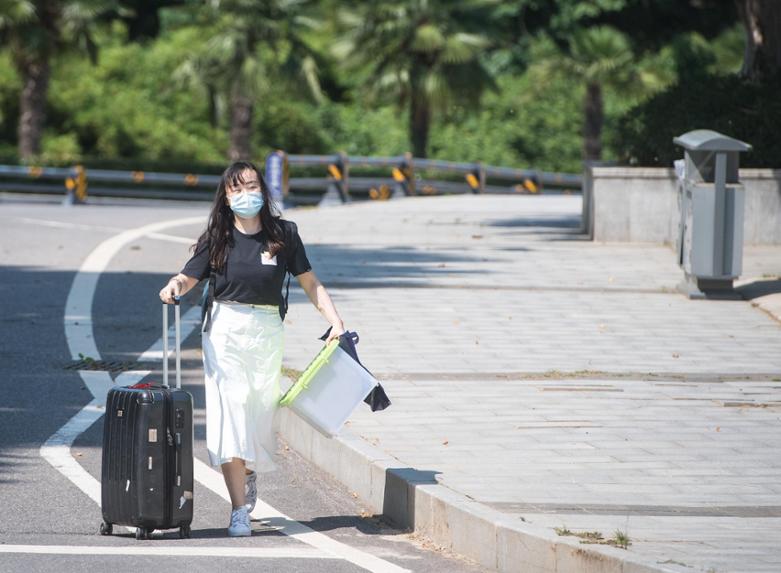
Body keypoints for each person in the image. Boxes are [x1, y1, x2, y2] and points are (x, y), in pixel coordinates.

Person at [158, 160, 345, 537]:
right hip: (224, 329)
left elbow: (310, 282)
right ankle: (239, 509)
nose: (246, 195)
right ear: (226, 198)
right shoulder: (218, 237)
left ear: (263, 189)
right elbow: (189, 275)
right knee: (231, 409)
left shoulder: (284, 234)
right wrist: (174, 286)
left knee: (259, 413)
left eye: (251, 186)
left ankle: (247, 471)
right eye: (237, 189)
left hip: (266, 331)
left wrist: (335, 321)